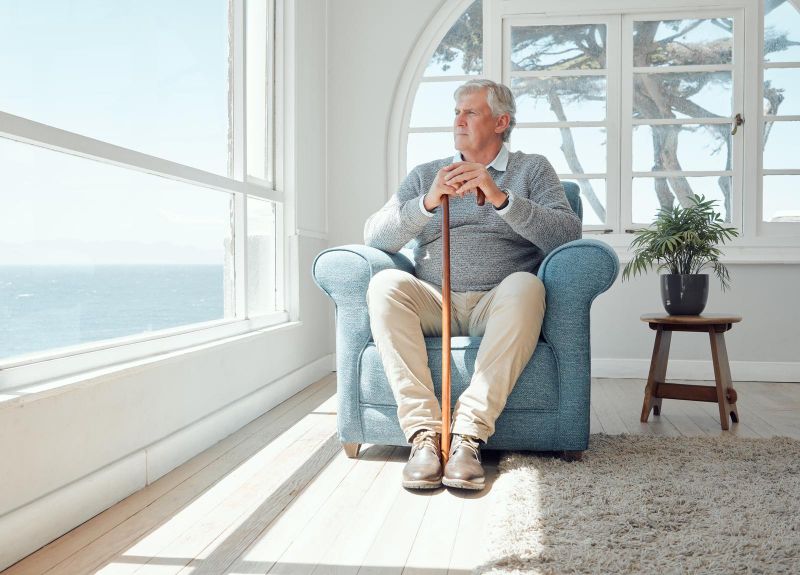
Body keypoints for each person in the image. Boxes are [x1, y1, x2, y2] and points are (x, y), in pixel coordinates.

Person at [363, 79, 581, 490]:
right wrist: (426, 203)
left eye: (470, 112)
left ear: (501, 121)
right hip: (434, 301)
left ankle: (467, 435)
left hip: (497, 303)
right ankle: (425, 436)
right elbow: (375, 236)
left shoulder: (532, 169)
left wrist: (501, 198)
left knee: (527, 285)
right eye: (456, 112)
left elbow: (567, 235)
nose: (458, 120)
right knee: (384, 285)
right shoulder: (426, 174)